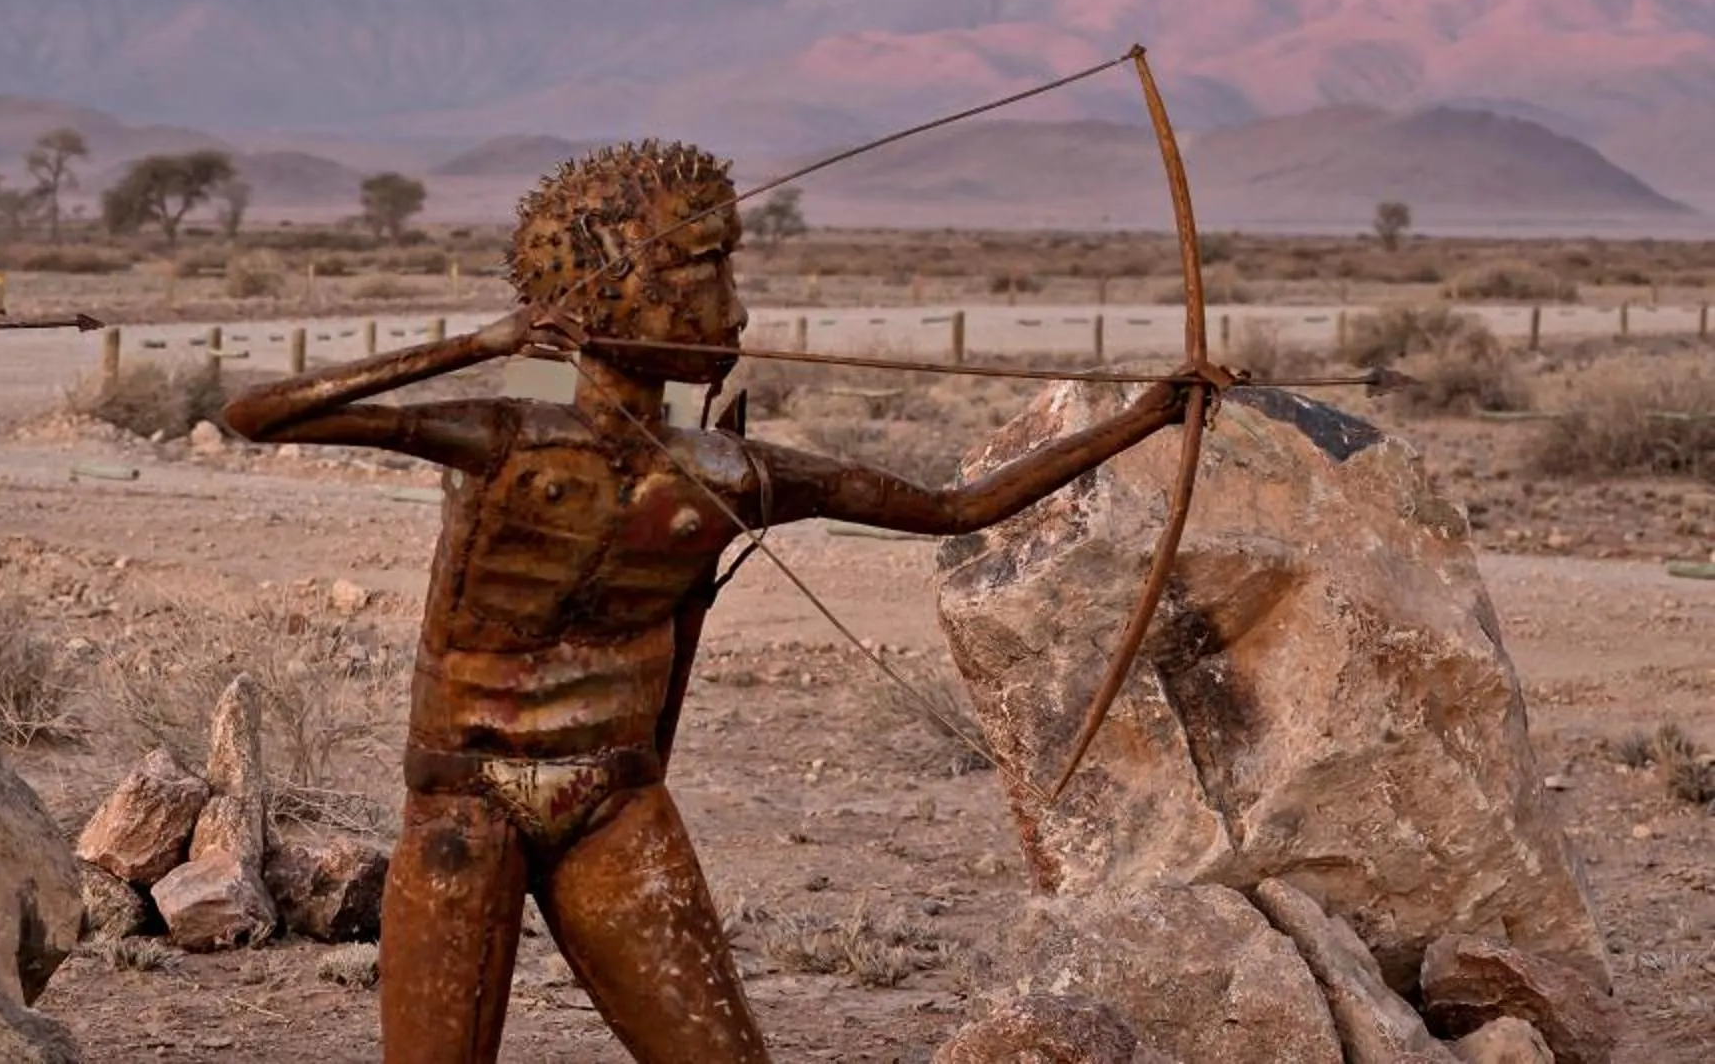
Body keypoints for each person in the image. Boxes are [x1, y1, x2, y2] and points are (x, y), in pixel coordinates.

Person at [219, 140, 1215, 1063]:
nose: (730, 308)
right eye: (696, 274)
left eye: (726, 271)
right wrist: (483, 341)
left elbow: (956, 510)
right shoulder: (505, 439)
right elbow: (254, 414)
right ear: (601, 295)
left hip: (613, 807)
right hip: (463, 805)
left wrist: (1146, 415)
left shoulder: (729, 473)